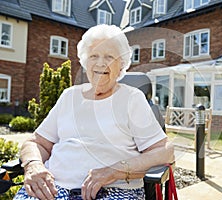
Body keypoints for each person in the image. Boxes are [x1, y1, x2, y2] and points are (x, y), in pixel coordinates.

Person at [14, 24, 174, 200]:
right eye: (94, 56)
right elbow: (37, 142)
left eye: (109, 57)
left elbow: (165, 151)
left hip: (112, 190)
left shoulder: (131, 98)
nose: (100, 63)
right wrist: (33, 165)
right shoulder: (70, 96)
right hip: (52, 189)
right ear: (85, 62)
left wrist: (114, 172)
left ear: (121, 65)